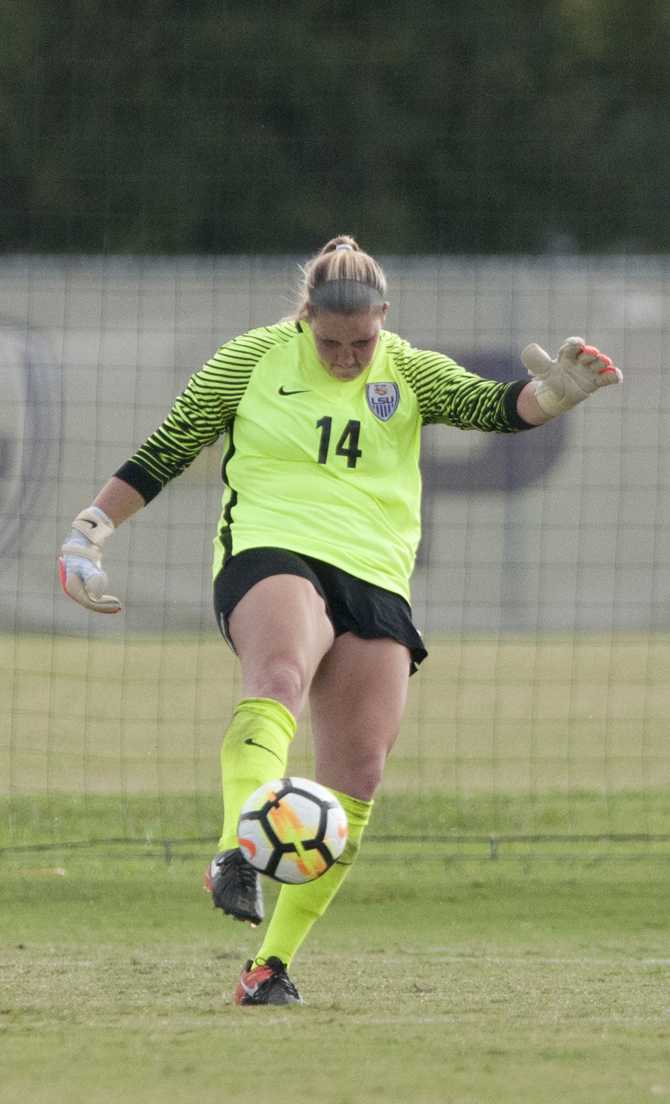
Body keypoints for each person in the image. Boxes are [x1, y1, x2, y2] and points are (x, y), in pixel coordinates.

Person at [58, 235, 623, 1006]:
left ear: (384, 320)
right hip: (272, 547)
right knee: (280, 674)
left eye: (362, 342)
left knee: (358, 774)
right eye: (331, 343)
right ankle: (234, 851)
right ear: (306, 319)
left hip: (377, 576)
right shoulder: (252, 358)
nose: (348, 357)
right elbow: (167, 448)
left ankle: (270, 966)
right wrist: (88, 533)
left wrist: (555, 394)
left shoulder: (409, 368)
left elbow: (495, 407)